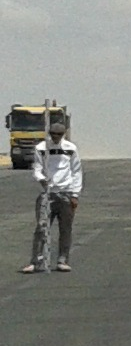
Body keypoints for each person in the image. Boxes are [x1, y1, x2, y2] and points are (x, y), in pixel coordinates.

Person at [22, 111, 81, 272]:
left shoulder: (70, 148)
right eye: (53, 134)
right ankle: (35, 261)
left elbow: (76, 171)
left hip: (65, 193)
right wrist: (42, 179)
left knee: (65, 229)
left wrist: (75, 194)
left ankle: (62, 260)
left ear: (63, 134)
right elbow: (37, 168)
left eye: (59, 134)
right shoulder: (41, 148)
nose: (56, 137)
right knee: (42, 227)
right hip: (47, 194)